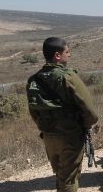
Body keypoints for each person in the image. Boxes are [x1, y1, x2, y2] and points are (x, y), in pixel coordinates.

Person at [26, 37, 98, 192]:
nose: (69, 55)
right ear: (57, 56)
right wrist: (86, 125)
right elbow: (89, 110)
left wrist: (46, 127)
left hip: (49, 136)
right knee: (69, 179)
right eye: (67, 52)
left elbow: (34, 111)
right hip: (70, 135)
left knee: (60, 174)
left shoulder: (34, 80)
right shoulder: (68, 77)